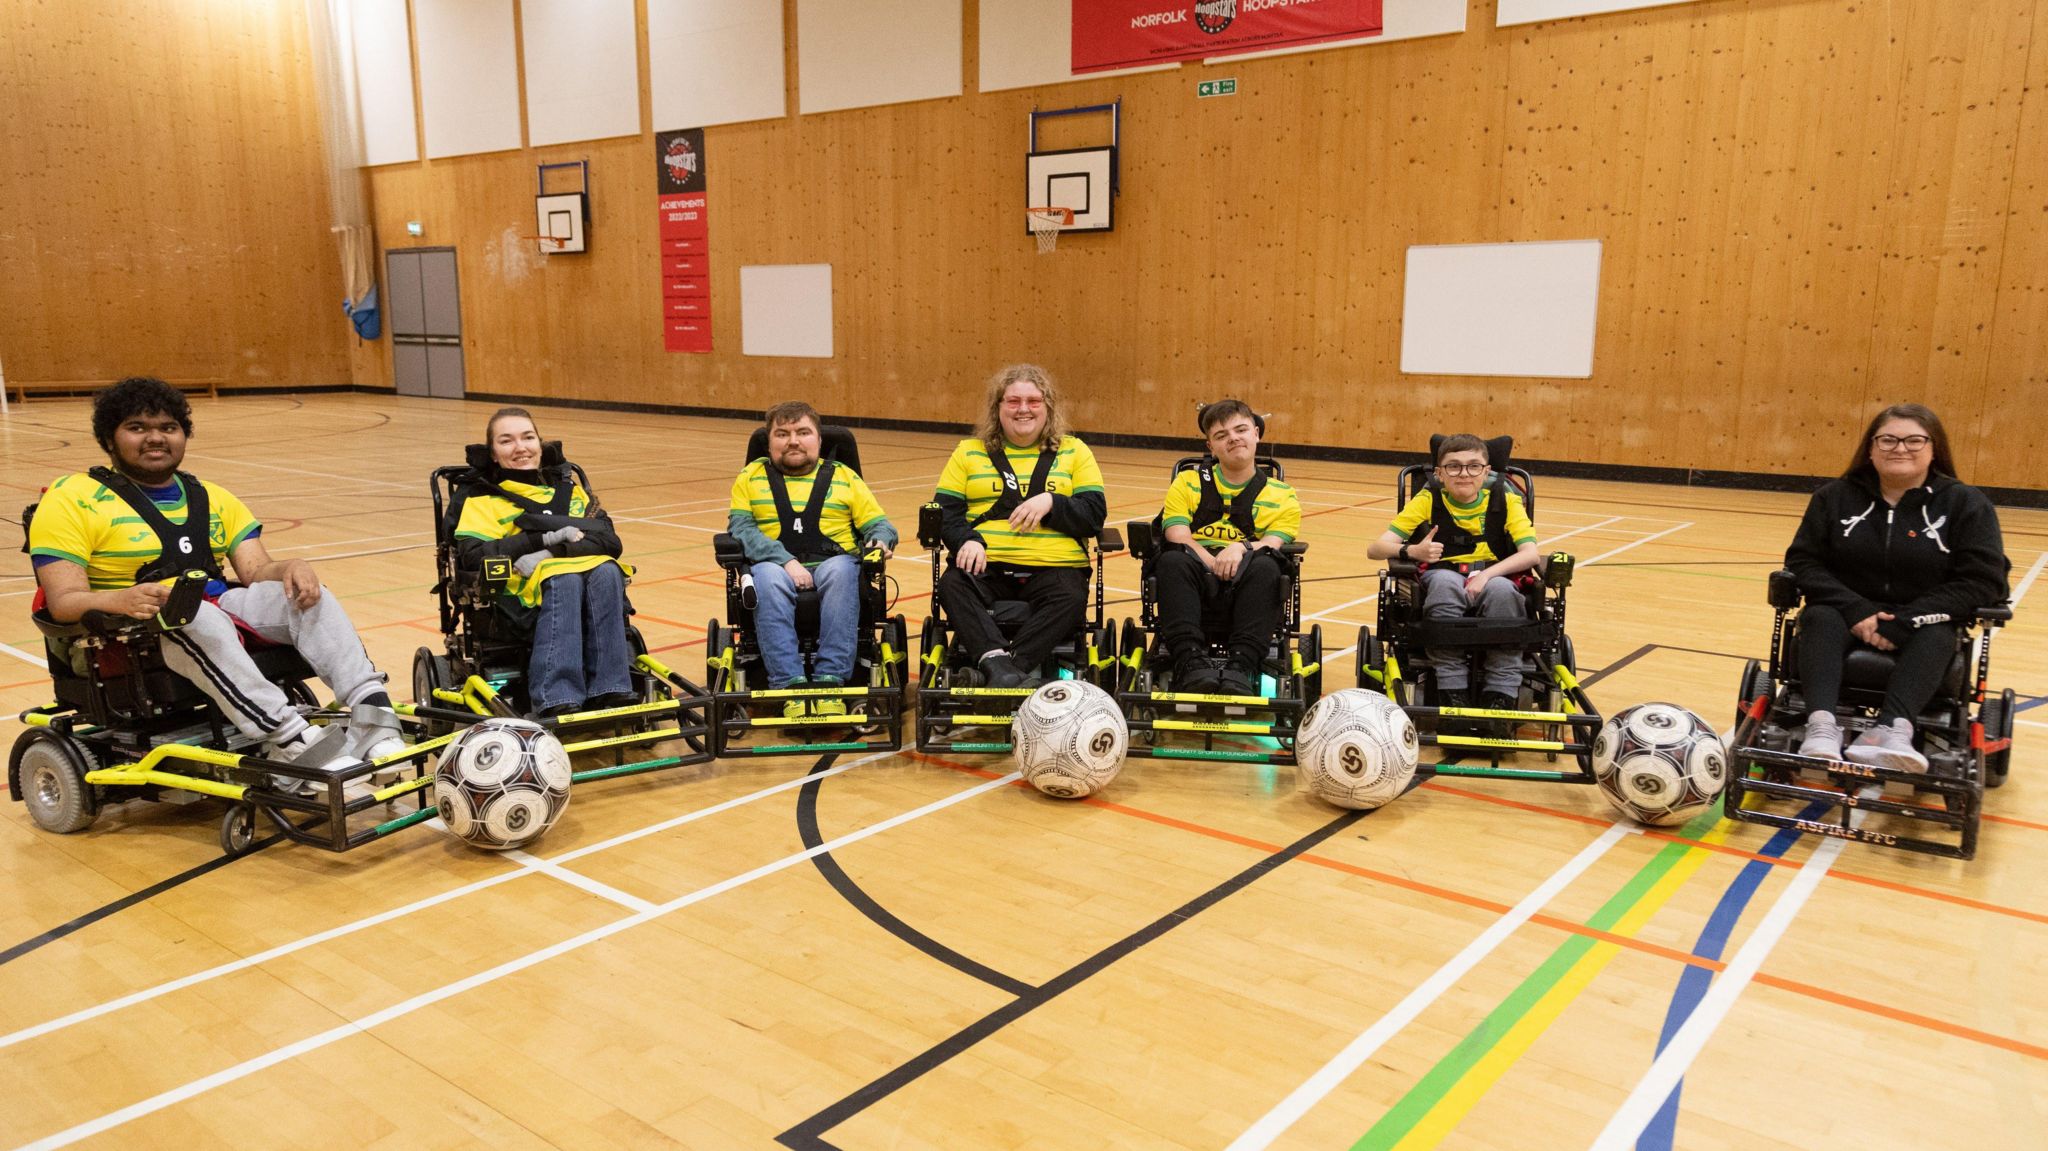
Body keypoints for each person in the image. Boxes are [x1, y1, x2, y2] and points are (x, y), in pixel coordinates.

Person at [28, 377, 405, 768]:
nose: (155, 438)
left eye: (168, 427)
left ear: (183, 435)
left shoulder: (209, 496)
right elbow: (63, 603)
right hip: (126, 634)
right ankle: (290, 738)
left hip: (214, 604)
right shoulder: (73, 499)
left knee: (306, 595)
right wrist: (118, 598)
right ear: (109, 438)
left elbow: (256, 569)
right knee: (193, 613)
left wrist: (293, 567)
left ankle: (373, 717)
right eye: (138, 427)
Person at [1787, 403, 2007, 772]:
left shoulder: (1966, 504)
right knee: (1820, 615)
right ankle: (1822, 727)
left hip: (1923, 617)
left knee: (1938, 631)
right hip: (1845, 612)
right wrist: (1857, 610)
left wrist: (1908, 619)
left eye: (1914, 440)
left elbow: (1984, 579)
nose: (1900, 448)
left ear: (1934, 448)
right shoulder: (1833, 498)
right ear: (1871, 448)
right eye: (1888, 439)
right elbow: (1803, 562)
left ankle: (1892, 731)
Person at [453, 407, 636, 717]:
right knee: (565, 579)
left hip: (585, 584)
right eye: (507, 441)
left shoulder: (572, 492)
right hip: (516, 602)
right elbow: (472, 556)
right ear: (493, 454)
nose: (520, 447)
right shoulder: (483, 500)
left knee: (606, 569)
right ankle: (555, 695)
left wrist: (551, 553)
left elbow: (608, 541)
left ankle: (611, 688)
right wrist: (537, 540)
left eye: (528, 437)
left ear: (540, 444)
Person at [933, 364, 1107, 688]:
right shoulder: (968, 452)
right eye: (1013, 401)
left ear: (1047, 407)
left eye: (1033, 401)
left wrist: (1053, 503)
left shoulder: (1075, 451)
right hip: (986, 563)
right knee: (952, 586)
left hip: (1055, 566)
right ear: (997, 408)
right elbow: (944, 513)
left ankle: (1002, 670)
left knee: (1070, 597)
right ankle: (1009, 670)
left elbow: (1094, 514)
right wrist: (966, 540)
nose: (1023, 409)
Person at [726, 401, 898, 720]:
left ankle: (830, 681)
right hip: (774, 567)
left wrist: (880, 540)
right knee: (766, 576)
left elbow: (880, 524)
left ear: (819, 440)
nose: (793, 441)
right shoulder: (750, 477)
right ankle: (788, 685)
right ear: (769, 442)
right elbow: (741, 528)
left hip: (835, 564)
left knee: (844, 569)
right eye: (783, 434)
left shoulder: (844, 477)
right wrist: (785, 561)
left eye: (803, 432)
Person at [1366, 434, 1543, 720]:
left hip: (1492, 574)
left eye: (1474, 466)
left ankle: (1501, 695)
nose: (1464, 473)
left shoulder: (1506, 499)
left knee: (1502, 591)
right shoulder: (1428, 499)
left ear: (1487, 471)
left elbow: (1531, 554)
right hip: (1443, 575)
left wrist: (1486, 574)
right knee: (1444, 584)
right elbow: (1375, 548)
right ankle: (1452, 692)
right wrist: (1413, 550)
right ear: (1439, 473)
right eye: (1454, 466)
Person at [1154, 399, 1301, 695]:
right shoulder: (1187, 482)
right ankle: (1190, 662)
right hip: (1196, 572)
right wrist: (1211, 561)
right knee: (1172, 560)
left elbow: (1272, 542)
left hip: (1247, 578)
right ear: (1211, 446)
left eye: (1241, 429)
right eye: (1222, 435)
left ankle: (1242, 666)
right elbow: (1178, 534)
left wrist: (1240, 547)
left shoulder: (1283, 495)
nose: (1233, 438)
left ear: (1256, 434)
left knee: (1267, 563)